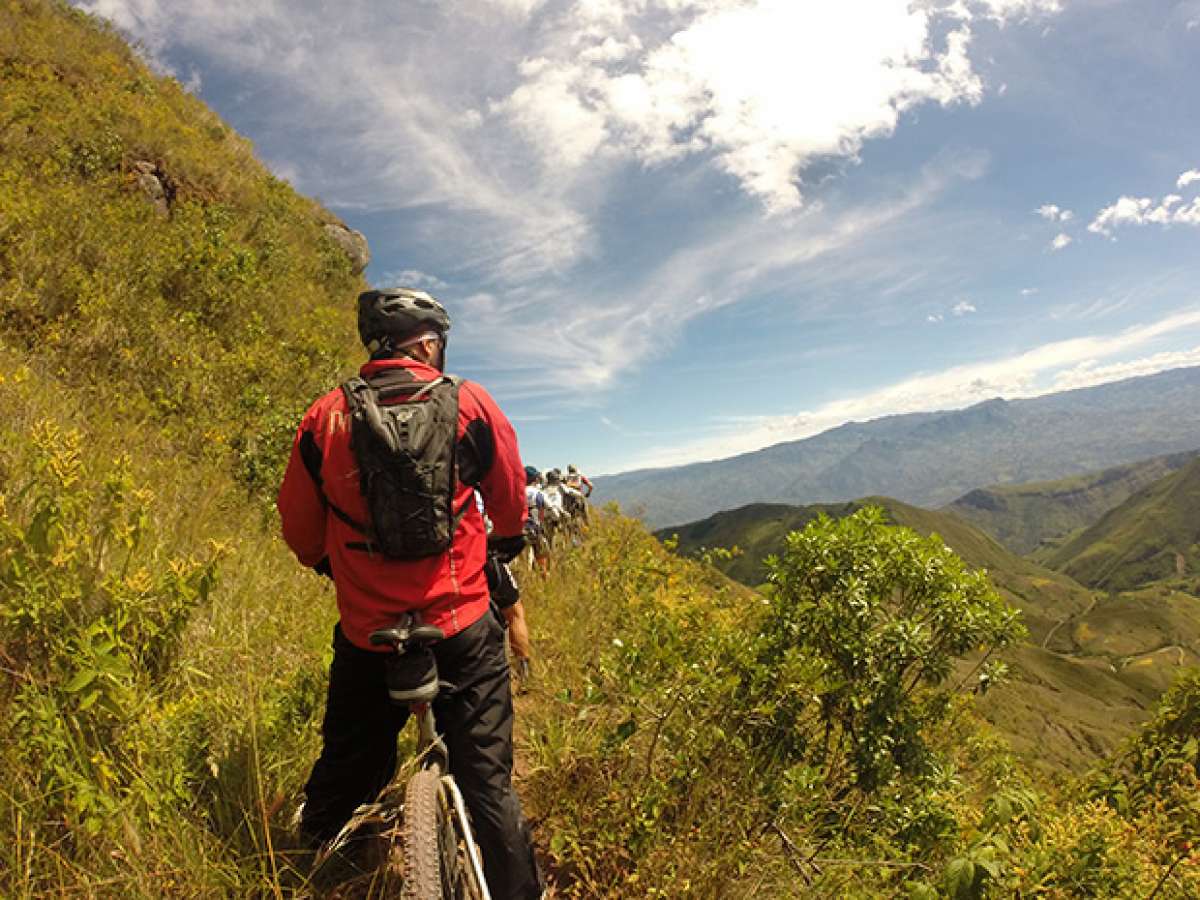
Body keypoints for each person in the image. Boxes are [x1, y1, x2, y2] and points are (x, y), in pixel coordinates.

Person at [277, 287, 543, 899]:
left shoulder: (326, 417)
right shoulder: (471, 403)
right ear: (426, 343)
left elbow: (299, 529)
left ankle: (317, 872)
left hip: (370, 631)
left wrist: (334, 566)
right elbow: (507, 505)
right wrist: (499, 547)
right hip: (461, 622)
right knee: (487, 785)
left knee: (348, 767)